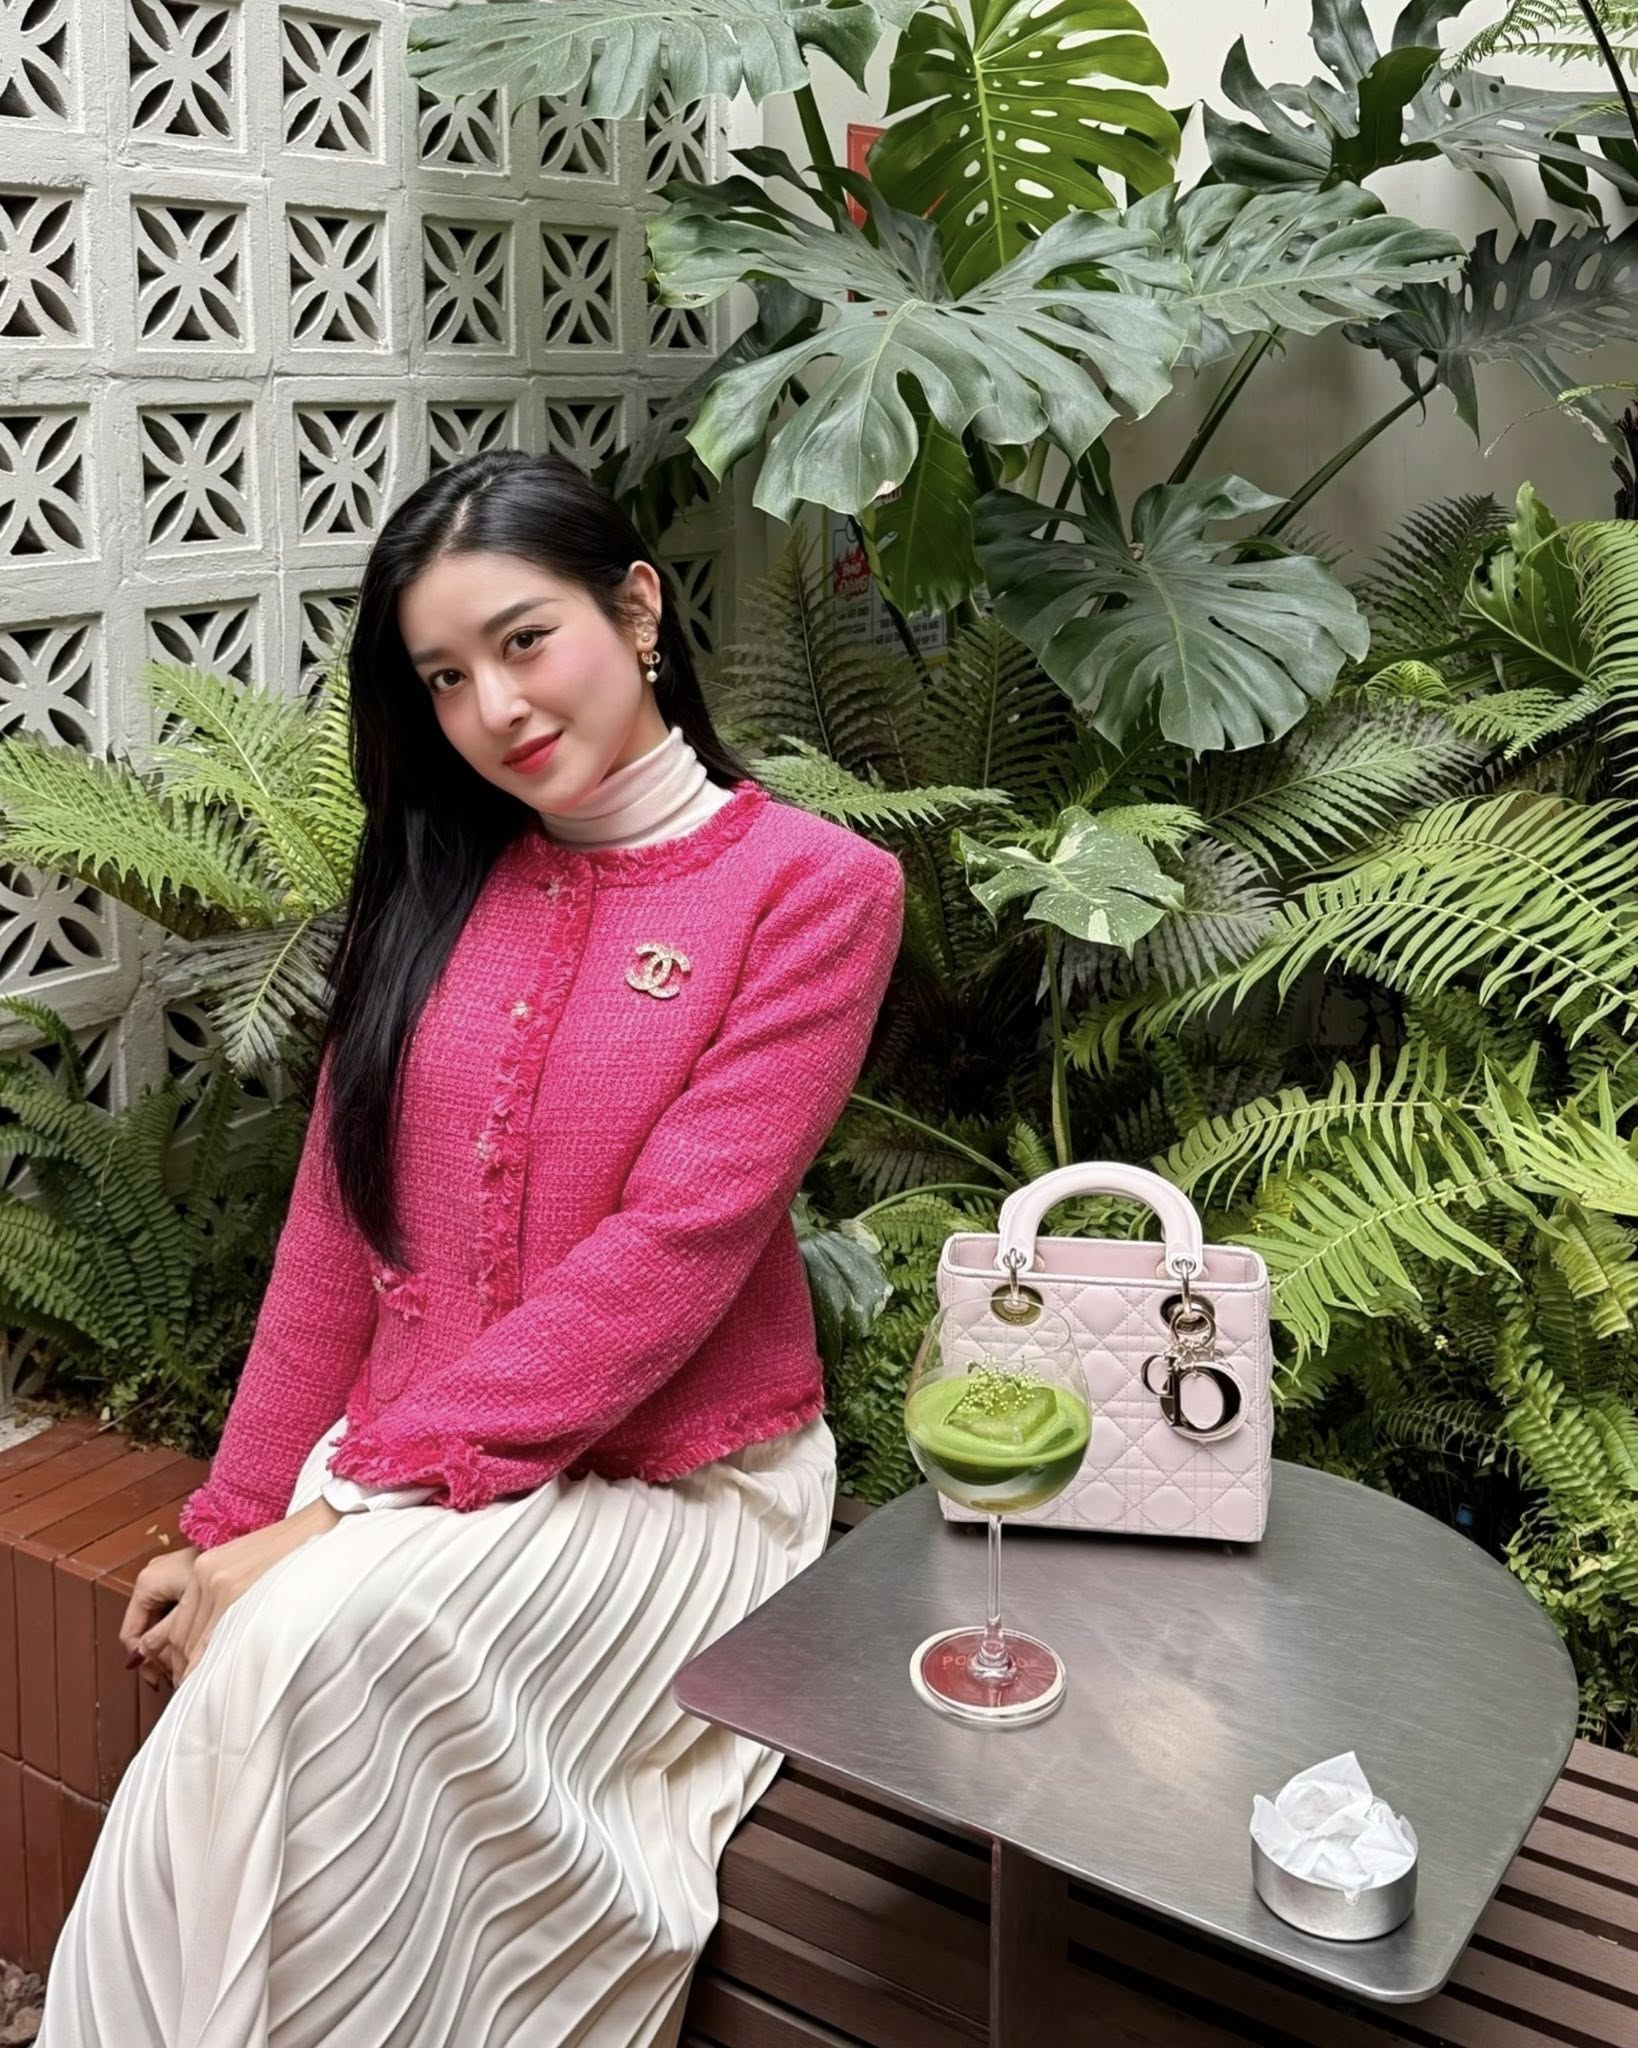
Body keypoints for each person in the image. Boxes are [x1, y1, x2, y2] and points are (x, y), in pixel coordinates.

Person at [36, 451, 906, 2047]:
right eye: (444, 676)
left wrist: (329, 1519)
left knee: (306, 1641)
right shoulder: (432, 884)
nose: (494, 708)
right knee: (248, 1696)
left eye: (523, 641)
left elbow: (673, 1249)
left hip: (670, 1487)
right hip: (405, 1470)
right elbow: (332, 1234)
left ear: (634, 609)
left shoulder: (812, 890)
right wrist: (233, 1515)